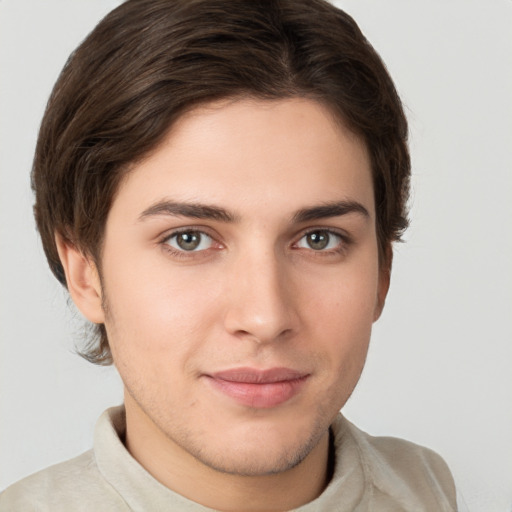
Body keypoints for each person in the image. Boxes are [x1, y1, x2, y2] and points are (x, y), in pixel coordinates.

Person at [0, 0, 459, 510]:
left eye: (319, 239)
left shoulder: (428, 489)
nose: (265, 317)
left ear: (382, 270)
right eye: (189, 239)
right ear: (85, 274)